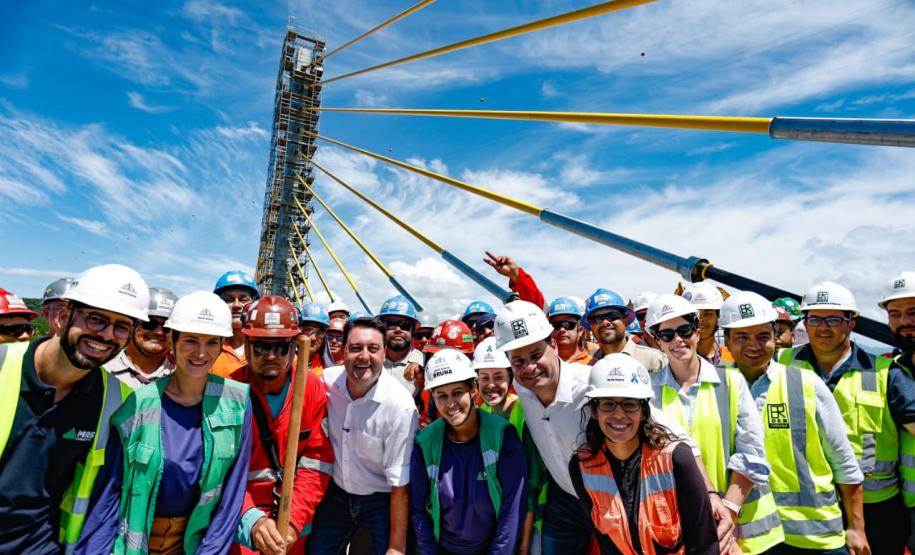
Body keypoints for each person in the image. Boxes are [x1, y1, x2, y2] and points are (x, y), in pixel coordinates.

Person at [492, 300, 735, 555]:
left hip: (611, 500)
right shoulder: (523, 386)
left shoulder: (594, 385)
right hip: (564, 499)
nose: (529, 367)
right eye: (518, 361)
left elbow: (677, 435)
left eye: (536, 355)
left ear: (553, 345)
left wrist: (709, 493)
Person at [76, 291, 253, 554]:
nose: (201, 353)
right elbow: (110, 495)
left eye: (212, 342)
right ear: (172, 339)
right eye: (191, 340)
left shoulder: (237, 402)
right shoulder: (137, 405)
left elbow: (231, 495)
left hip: (197, 545)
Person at [0, 264, 142, 553]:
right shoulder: (3, 364)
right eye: (96, 319)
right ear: (63, 317)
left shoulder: (118, 400)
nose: (106, 335)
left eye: (121, 327)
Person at [721, 291, 868, 554]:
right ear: (728, 342)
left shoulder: (806, 384)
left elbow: (844, 461)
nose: (754, 345)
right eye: (742, 337)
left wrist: (856, 528)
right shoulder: (715, 387)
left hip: (814, 537)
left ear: (775, 338)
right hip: (750, 536)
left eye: (763, 336)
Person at [777, 281, 915, 554]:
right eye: (814, 318)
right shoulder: (782, 364)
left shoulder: (887, 373)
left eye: (833, 319)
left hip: (877, 509)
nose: (823, 327)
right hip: (807, 506)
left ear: (851, 324)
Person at [646, 294, 782, 554]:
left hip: (741, 524)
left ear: (697, 331)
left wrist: (727, 511)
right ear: (656, 341)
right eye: (667, 335)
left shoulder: (731, 381)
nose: (678, 340)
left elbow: (752, 453)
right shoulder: (649, 391)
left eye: (685, 330)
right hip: (681, 524)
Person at [570, 354, 719, 555]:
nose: (619, 414)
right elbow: (607, 544)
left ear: (644, 412)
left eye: (630, 404)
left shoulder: (676, 458)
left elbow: (704, 545)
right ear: (595, 411)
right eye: (608, 404)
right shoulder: (582, 466)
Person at [230, 296, 334, 555]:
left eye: (280, 347)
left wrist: (293, 522)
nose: (272, 356)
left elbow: (317, 463)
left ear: (294, 347)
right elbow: (218, 472)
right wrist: (251, 520)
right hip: (240, 521)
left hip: (293, 523)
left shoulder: (311, 389)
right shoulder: (227, 393)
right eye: (262, 347)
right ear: (247, 344)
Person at [308, 316, 418, 555]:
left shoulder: (400, 407)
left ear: (384, 353)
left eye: (373, 349)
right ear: (343, 351)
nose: (364, 357)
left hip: (382, 500)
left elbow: (400, 483)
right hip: (335, 494)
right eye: (355, 348)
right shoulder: (325, 382)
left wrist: (396, 547)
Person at [411, 349, 528, 555]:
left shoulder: (502, 435)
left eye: (457, 392)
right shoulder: (425, 443)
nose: (450, 404)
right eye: (441, 396)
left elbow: (513, 507)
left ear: (473, 389)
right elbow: (419, 511)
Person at [877, 272, 915, 553]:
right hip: (904, 504)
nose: (904, 322)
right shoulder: (891, 368)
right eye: (896, 314)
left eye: (913, 312)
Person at [106, 287, 178, 388]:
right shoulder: (103, 370)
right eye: (149, 323)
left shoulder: (180, 378)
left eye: (167, 326)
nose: (159, 332)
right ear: (132, 326)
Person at [583, 288, 666, 373]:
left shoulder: (655, 360)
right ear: (590, 326)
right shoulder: (590, 368)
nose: (605, 322)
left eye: (613, 316)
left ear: (625, 320)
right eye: (597, 319)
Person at [212, 270, 260, 377]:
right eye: (228, 299)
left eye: (243, 299)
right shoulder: (207, 348)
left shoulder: (269, 348)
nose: (236, 305)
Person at [378, 295, 425, 396]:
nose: (398, 330)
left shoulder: (425, 362)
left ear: (413, 330)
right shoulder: (371, 359)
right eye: (392, 324)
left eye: (405, 325)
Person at [473, 337, 523, 429]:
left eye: (498, 377)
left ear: (510, 378)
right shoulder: (481, 413)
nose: (491, 385)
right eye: (485, 378)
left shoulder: (527, 412)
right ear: (477, 380)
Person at [681, 281, 733, 365]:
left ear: (718, 317)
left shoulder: (734, 357)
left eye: (707, 313)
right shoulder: (677, 358)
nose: (700, 319)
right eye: (694, 314)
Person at [546, 297, 592, 364]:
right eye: (556, 325)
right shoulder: (543, 364)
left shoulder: (591, 363)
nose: (562, 329)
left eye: (568, 324)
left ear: (580, 331)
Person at [299, 301, 330, 376]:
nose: (313, 338)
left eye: (319, 333)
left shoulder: (327, 368)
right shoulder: (284, 363)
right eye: (308, 331)